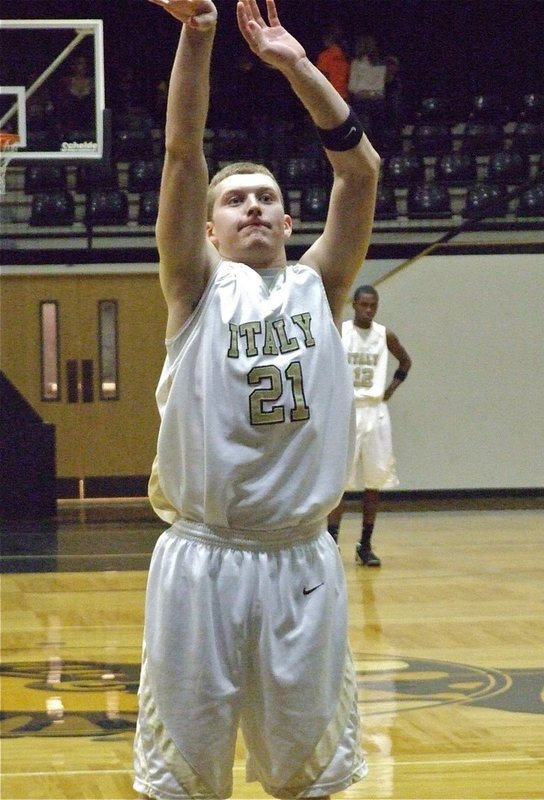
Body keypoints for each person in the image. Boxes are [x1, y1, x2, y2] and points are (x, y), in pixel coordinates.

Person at [135, 2, 380, 799]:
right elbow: (181, 154)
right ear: (207, 230)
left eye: (267, 198)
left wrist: (295, 66)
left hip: (299, 560)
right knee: (185, 778)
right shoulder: (195, 289)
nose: (253, 209)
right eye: (235, 201)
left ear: (288, 217)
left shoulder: (322, 285)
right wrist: (197, 35)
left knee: (307, 777)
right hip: (202, 559)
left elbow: (360, 170)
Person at [327, 285, 411, 567]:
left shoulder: (384, 335)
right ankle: (331, 542)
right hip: (347, 410)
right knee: (340, 483)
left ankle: (365, 545)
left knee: (374, 481)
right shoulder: (342, 331)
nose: (369, 310)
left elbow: (406, 362)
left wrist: (390, 389)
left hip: (375, 412)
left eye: (373, 305)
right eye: (364, 305)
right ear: (354, 305)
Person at [315, 23, 351, 101]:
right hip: (345, 95)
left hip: (331, 95)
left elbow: (322, 78)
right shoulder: (346, 54)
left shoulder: (325, 55)